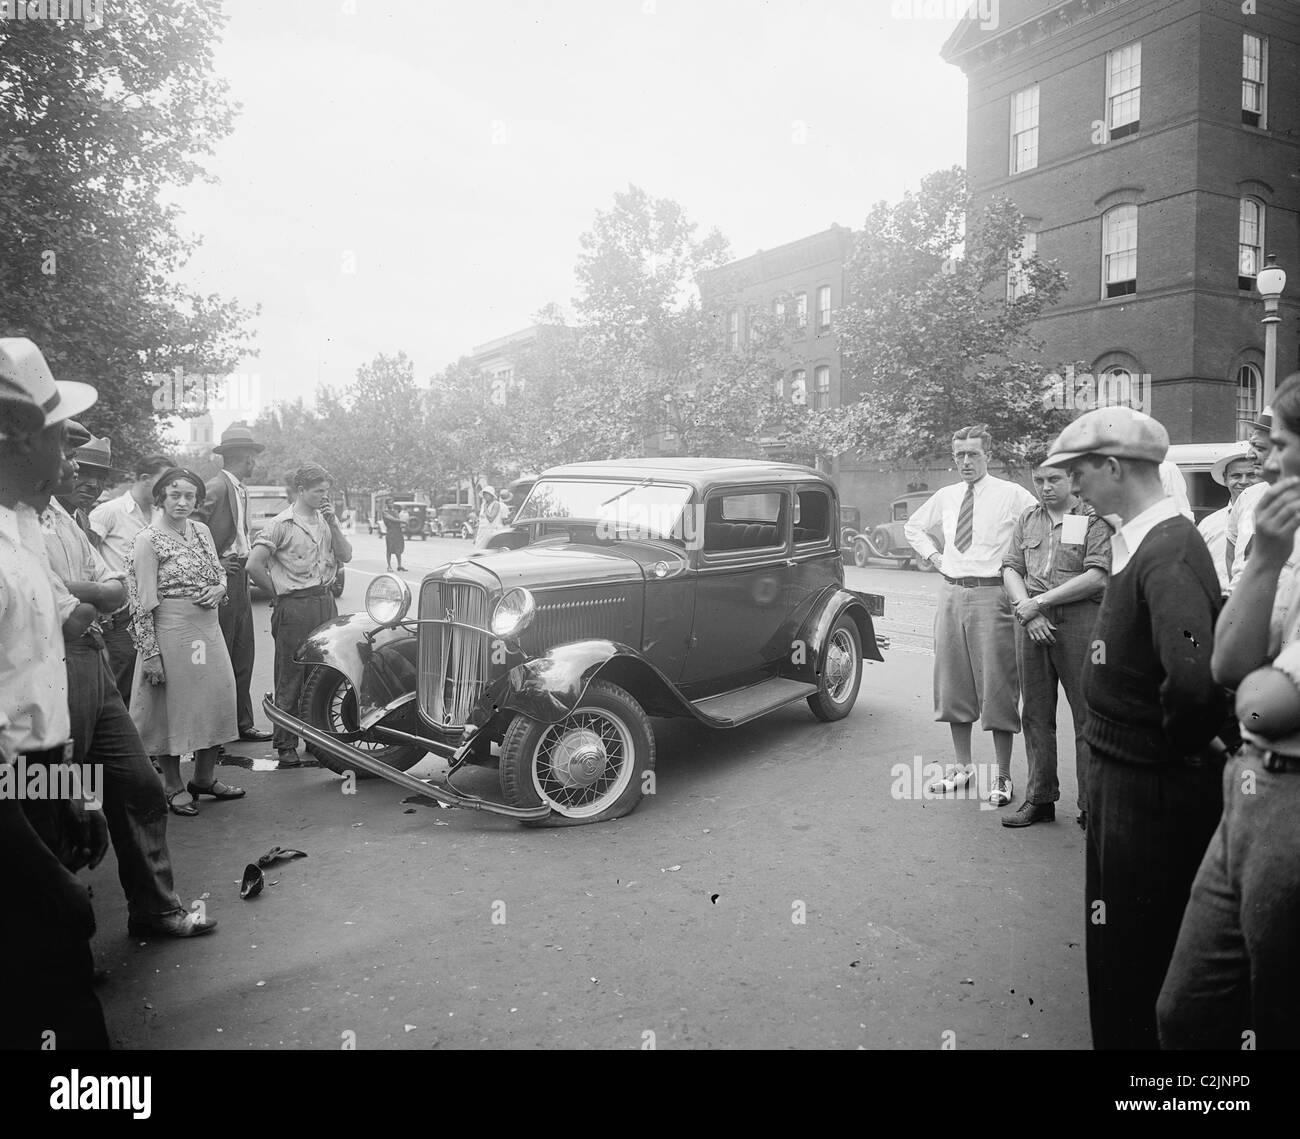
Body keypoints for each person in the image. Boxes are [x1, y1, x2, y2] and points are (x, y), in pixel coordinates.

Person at [1043, 406, 1229, 1051]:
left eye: (1078, 470)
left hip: (1148, 786)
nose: (1072, 483)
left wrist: (1174, 749)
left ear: (1114, 466)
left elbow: (1193, 676)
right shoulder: (1148, 541)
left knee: (1132, 950)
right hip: (1129, 774)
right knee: (1120, 940)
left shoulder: (1168, 549)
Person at [1158, 373, 1300, 1049]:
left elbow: (1265, 703)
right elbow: (1226, 666)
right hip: (1248, 787)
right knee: (1185, 1013)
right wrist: (1268, 558)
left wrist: (1259, 689)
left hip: (1293, 803)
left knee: (1277, 1018)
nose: (1263, 458)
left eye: (1278, 441)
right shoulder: (1275, 530)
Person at [40, 426, 215, 936]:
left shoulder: (63, 519)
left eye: (83, 461)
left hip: (91, 660)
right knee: (57, 803)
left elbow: (117, 591)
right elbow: (73, 613)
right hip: (46, 668)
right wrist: (94, 593)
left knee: (138, 786)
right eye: (67, 454)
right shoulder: (14, 523)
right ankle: (63, 944)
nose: (76, 470)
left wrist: (85, 590)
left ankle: (156, 909)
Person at [0, 336, 111, 1048]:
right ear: (13, 442)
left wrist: (78, 793)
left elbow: (38, 692)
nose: (68, 462)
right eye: (55, 442)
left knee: (61, 982)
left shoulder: (26, 530)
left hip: (38, 782)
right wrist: (45, 876)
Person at [903, 426, 1038, 806]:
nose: (965, 461)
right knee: (952, 683)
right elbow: (914, 527)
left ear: (988, 455)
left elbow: (1039, 526)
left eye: (973, 454)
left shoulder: (1012, 494)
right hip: (951, 592)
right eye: (959, 454)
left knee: (997, 683)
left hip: (992, 594)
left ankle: (1003, 776)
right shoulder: (946, 496)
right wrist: (935, 558)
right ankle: (962, 769)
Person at [1000, 463, 1111, 829]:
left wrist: (1040, 604)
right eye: (1039, 480)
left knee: (1086, 716)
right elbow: (1011, 567)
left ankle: (1090, 807)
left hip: (1078, 622)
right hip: (1031, 623)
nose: (1046, 487)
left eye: (1054, 480)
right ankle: (1040, 799)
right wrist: (1027, 612)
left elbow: (1096, 576)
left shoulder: (1092, 520)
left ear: (1072, 481)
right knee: (1035, 713)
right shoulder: (1027, 519)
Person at [126, 467, 243, 815]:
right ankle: (173, 785)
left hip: (207, 629)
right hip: (171, 630)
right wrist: (150, 654)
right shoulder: (147, 539)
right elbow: (141, 599)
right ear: (160, 497)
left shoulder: (202, 530)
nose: (182, 502)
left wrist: (221, 587)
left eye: (190, 496)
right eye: (175, 494)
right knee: (170, 708)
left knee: (215, 697)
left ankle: (204, 779)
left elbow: (218, 570)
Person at [248, 464, 353, 766]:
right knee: (291, 675)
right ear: (301, 490)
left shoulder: (325, 521)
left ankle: (317, 740)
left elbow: (345, 555)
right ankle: (285, 744)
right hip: (294, 605)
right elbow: (253, 565)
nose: (324, 496)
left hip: (324, 601)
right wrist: (277, 594)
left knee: (322, 673)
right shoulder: (280, 524)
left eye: (326, 491)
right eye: (318, 490)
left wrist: (334, 524)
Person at [197, 422, 273, 744]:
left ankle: (242, 723)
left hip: (240, 575)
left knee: (243, 653)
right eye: (253, 457)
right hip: (223, 576)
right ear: (247, 458)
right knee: (222, 655)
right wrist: (214, 563)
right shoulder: (216, 487)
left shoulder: (239, 489)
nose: (255, 462)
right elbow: (193, 529)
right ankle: (219, 728)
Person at [90, 453, 172, 706]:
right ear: (145, 479)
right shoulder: (109, 511)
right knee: (124, 680)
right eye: (163, 481)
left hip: (158, 609)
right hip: (123, 612)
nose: (168, 489)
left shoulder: (161, 515)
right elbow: (88, 557)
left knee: (156, 679)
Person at [1228, 385, 1300, 588]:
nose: (1250, 455)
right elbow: (1232, 550)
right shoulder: (1248, 495)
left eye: (1259, 448)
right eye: (1251, 445)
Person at [1197, 447, 1259, 595]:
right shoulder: (1208, 524)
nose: (1244, 482)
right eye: (1236, 476)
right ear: (1225, 478)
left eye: (1251, 475)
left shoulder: (1272, 518)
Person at [381, 497, 405, 571]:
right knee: (389, 549)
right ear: (387, 504)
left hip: (398, 532)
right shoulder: (385, 512)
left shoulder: (395, 511)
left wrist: (402, 525)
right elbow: (392, 519)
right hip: (390, 532)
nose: (391, 504)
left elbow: (397, 520)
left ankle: (399, 565)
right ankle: (389, 566)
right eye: (390, 503)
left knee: (398, 549)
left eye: (392, 503)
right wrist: (402, 521)